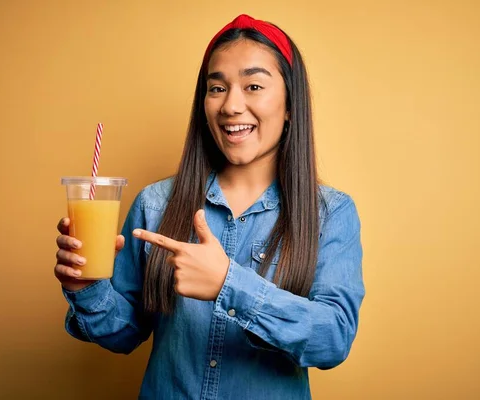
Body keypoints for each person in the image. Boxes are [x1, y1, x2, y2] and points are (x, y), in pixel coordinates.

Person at [54, 14, 365, 399]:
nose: (231, 105)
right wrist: (88, 289)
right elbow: (124, 334)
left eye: (253, 85)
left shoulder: (330, 214)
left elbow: (333, 340)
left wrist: (228, 285)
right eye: (216, 88)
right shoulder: (156, 204)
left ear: (289, 105)